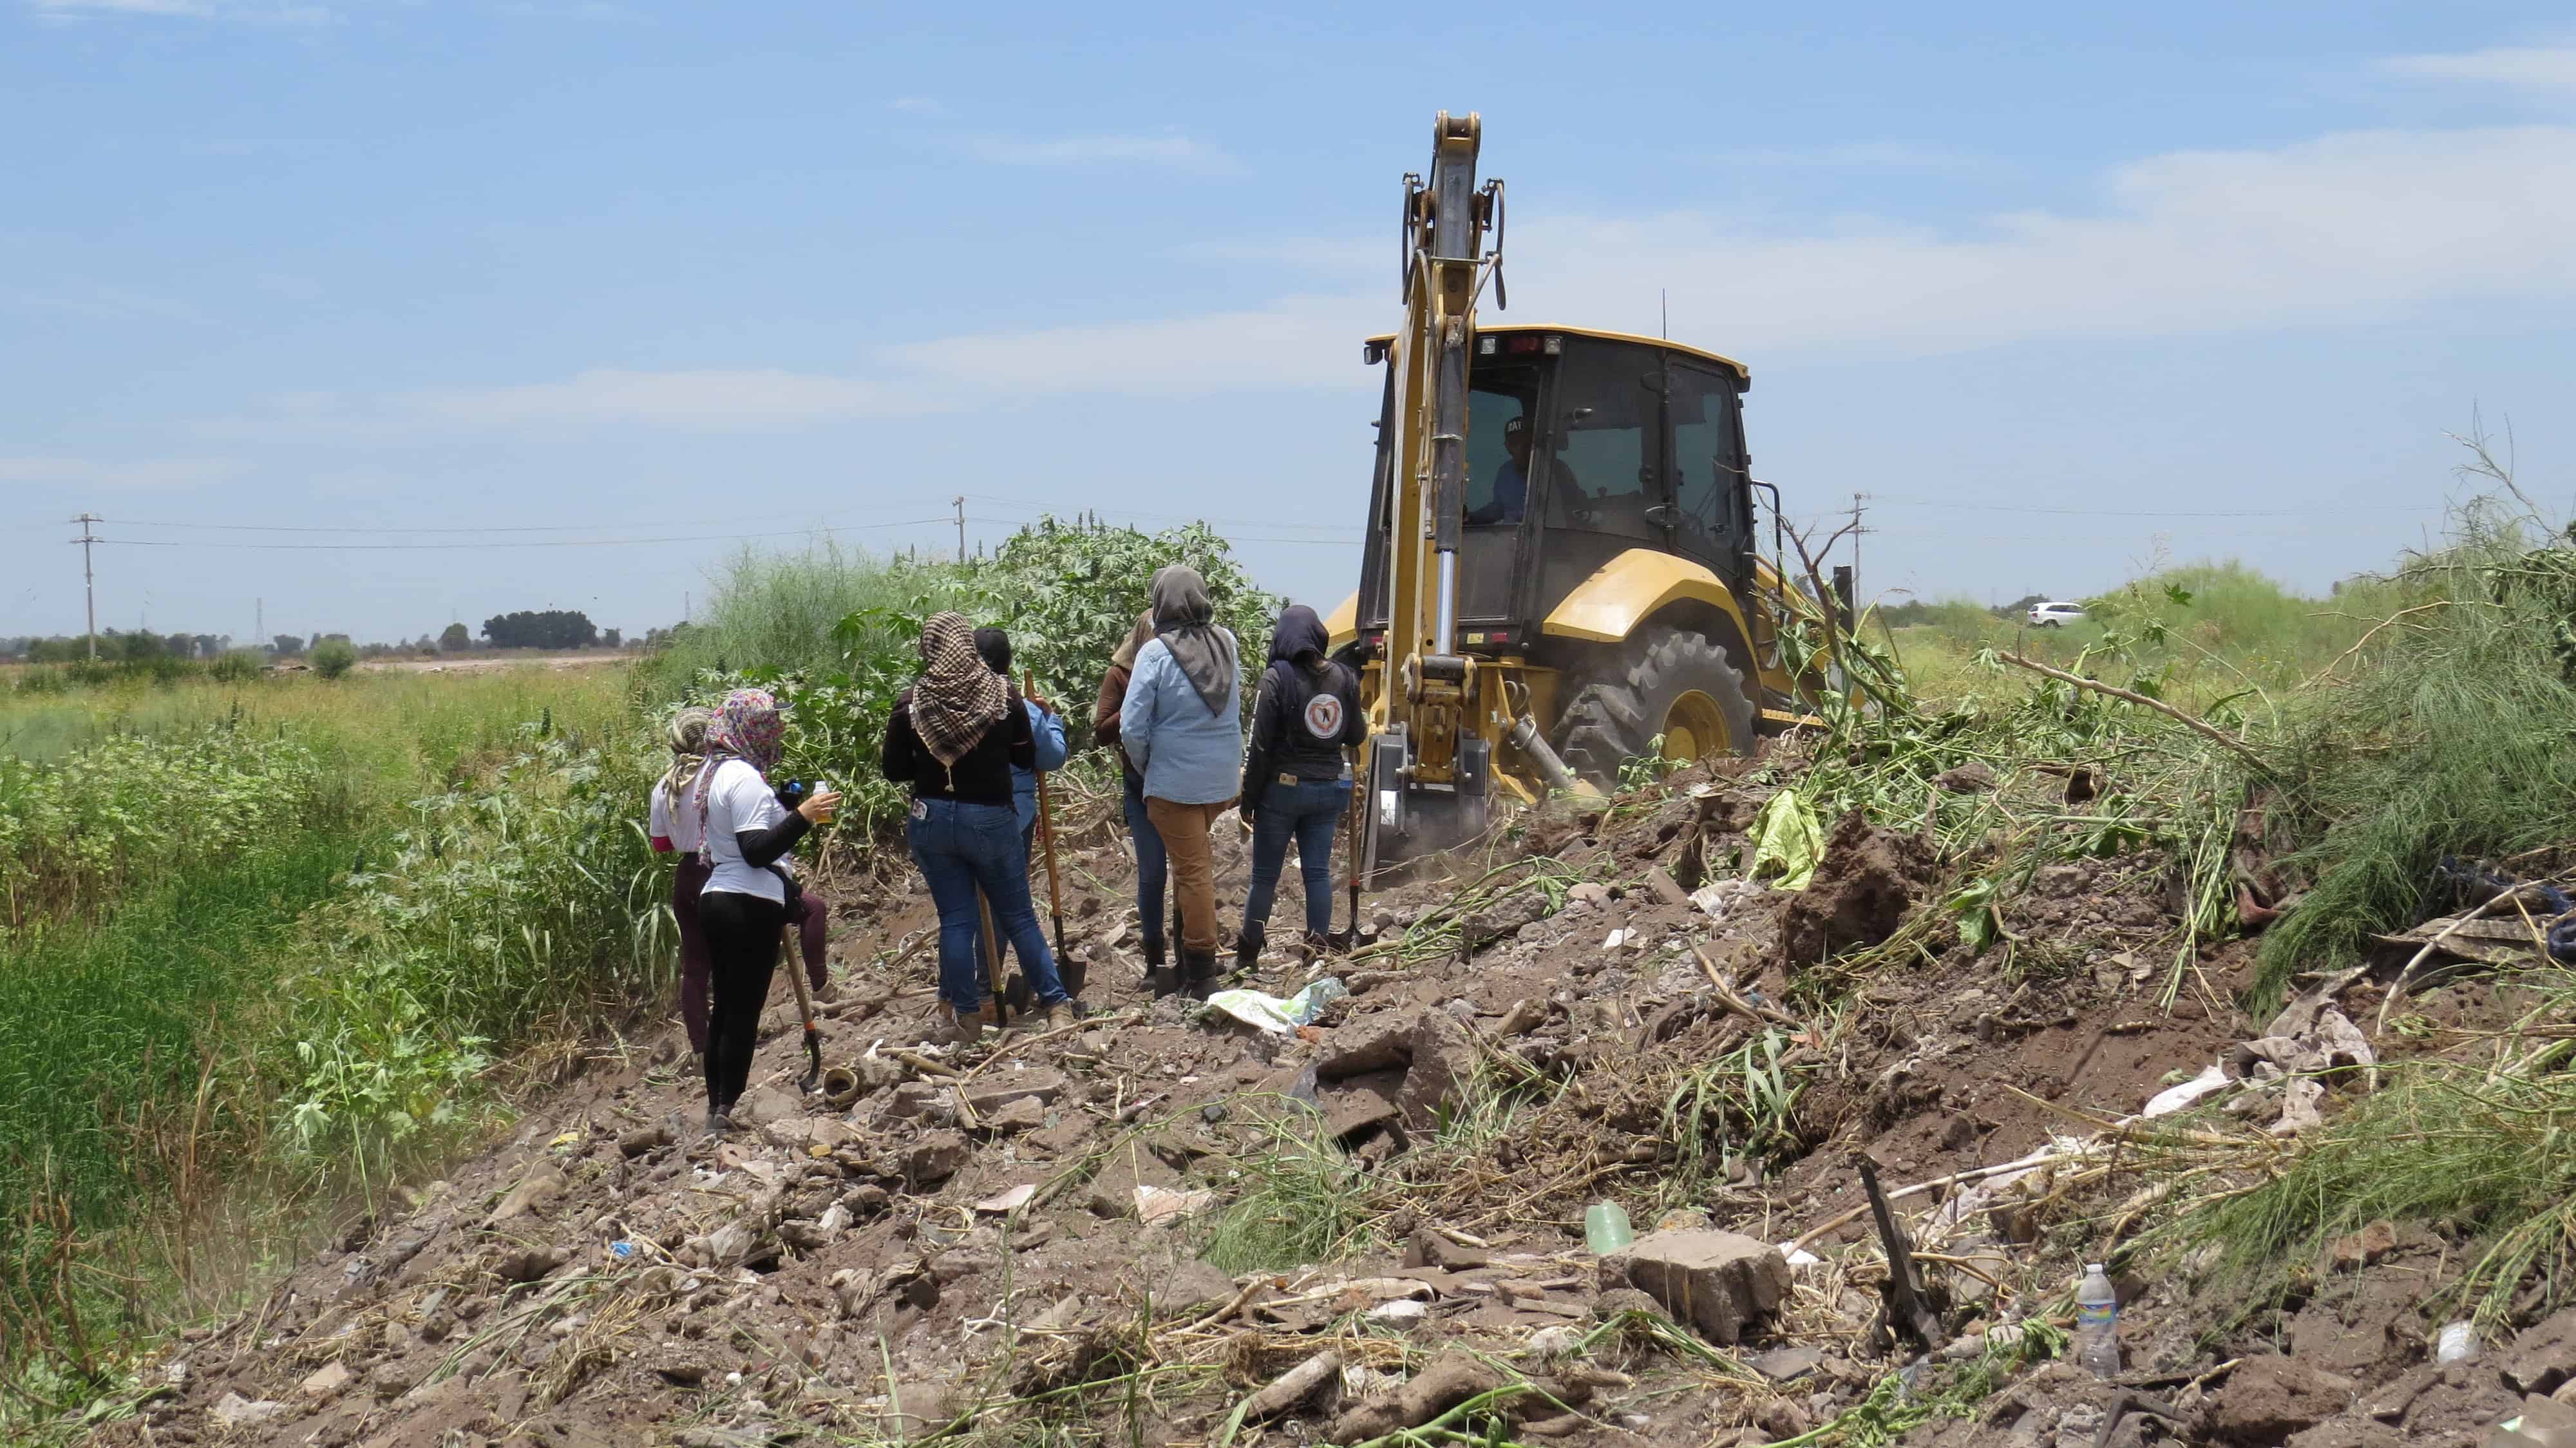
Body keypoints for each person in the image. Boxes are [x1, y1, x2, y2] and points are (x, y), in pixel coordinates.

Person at [883, 611, 1078, 1042]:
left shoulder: (912, 700)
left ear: (930, 647)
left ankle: (966, 1019)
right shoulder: (1003, 695)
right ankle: (1057, 1005)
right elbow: (1027, 758)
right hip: (991, 819)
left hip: (932, 820)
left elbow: (894, 770)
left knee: (957, 919)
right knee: (1019, 915)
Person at [690, 689, 839, 1135]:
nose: (780, 731)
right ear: (752, 728)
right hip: (747, 904)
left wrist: (784, 805)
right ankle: (725, 1113)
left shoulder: (718, 772)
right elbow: (756, 851)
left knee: (725, 1009)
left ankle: (716, 1107)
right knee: (742, 1012)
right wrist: (805, 816)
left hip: (717, 898)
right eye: (772, 724)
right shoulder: (746, 779)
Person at [1119, 565, 1244, 1000]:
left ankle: (1202, 971)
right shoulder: (1227, 642)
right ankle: (1187, 958)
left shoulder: (1154, 653)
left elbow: (1131, 728)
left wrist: (1148, 765)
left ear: (1160, 602)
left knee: (1191, 872)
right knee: (1190, 864)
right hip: (1223, 782)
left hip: (1176, 784)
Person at [1236, 604, 1365, 967]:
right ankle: (1317, 952)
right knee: (1318, 872)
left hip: (1284, 790)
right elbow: (1356, 735)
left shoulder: (1276, 679)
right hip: (1328, 789)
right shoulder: (1345, 678)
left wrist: (1249, 799)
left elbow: (1258, 746)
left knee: (1264, 875)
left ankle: (1247, 955)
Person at [972, 625, 1072, 987]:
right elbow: (1051, 756)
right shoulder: (1021, 706)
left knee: (969, 903)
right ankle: (990, 984)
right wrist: (1051, 719)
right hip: (1014, 817)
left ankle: (972, 987)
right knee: (1008, 902)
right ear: (1008, 662)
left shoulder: (955, 701)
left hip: (963, 816)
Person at [1094, 611, 1173, 991]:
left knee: (1189, 872)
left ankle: (1191, 956)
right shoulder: (1121, 675)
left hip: (1177, 781)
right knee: (1153, 873)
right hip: (1139, 784)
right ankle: (1155, 960)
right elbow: (1100, 731)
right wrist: (1136, 702)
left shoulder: (1178, 669)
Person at [647, 707, 715, 1060]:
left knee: (695, 969)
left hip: (687, 876)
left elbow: (661, 844)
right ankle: (733, 1038)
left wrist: (683, 831)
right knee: (732, 959)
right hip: (720, 870)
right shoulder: (723, 775)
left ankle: (701, 1049)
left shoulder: (665, 785)